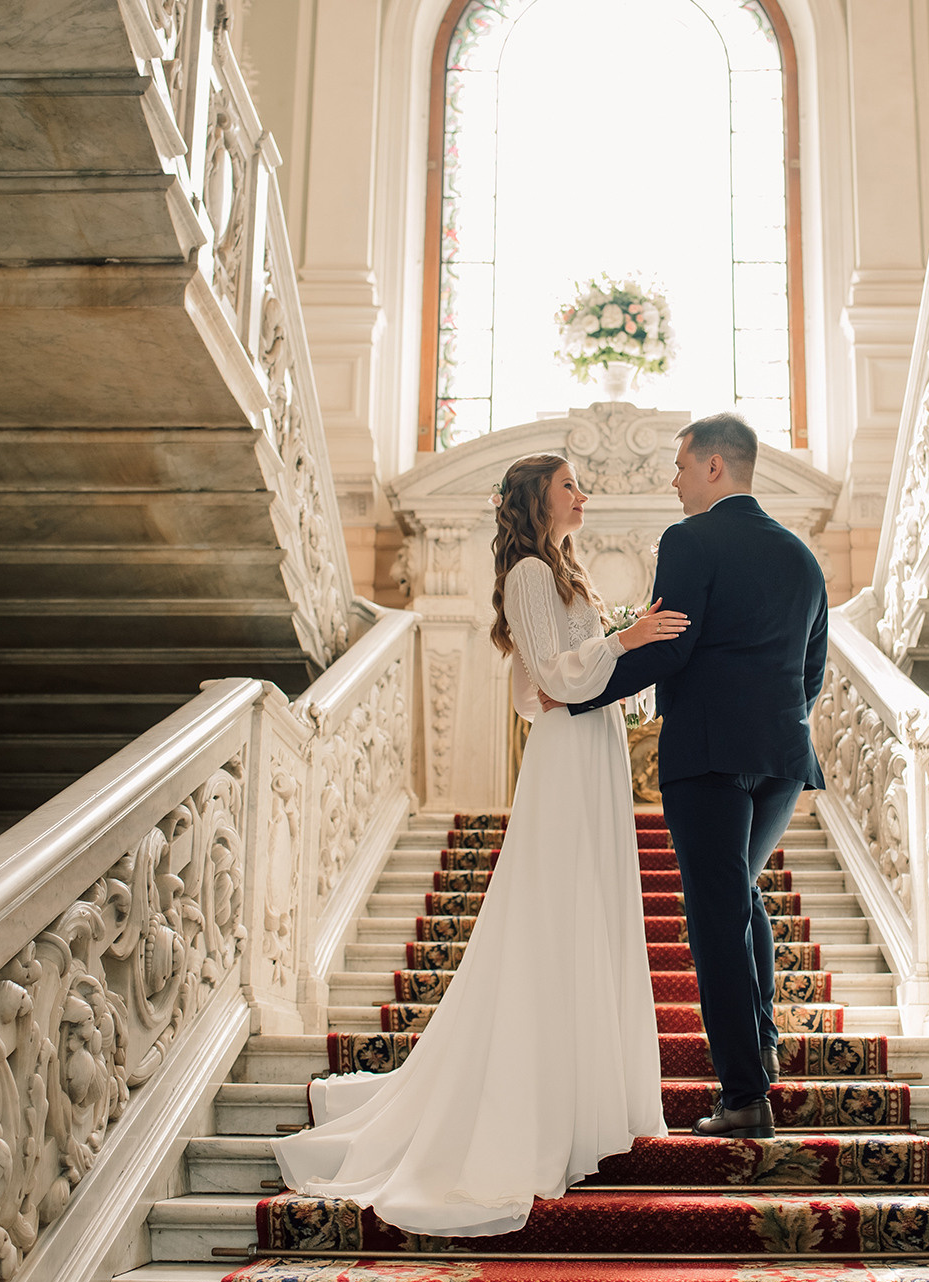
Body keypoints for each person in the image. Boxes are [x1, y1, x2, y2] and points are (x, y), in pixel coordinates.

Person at [271, 452, 688, 1236]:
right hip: (567, 754)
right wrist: (626, 640)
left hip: (591, 746)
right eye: (571, 484)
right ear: (539, 498)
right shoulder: (529, 573)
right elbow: (556, 679)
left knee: (591, 911)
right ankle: (535, 1111)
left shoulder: (561, 570)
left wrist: (631, 652)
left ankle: (587, 1102)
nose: (583, 494)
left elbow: (580, 675)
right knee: (554, 916)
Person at [561, 412, 828, 1140]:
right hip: (779, 758)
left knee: (714, 917)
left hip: (706, 755)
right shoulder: (801, 557)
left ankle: (744, 1097)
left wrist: (581, 693)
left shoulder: (689, 539)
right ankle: (762, 1045)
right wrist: (771, 723)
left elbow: (671, 647)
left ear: (714, 466)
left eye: (680, 466)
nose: (673, 480)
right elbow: (813, 672)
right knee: (739, 893)